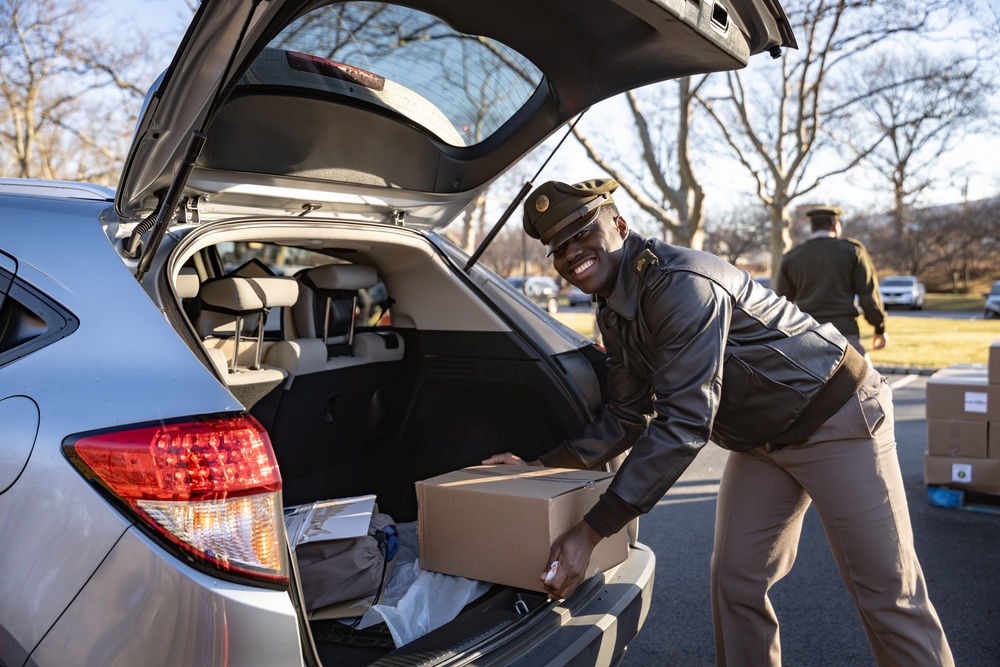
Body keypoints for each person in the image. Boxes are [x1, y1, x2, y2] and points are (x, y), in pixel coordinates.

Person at [483, 178, 952, 666]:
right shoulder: (614, 310)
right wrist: (538, 465)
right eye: (558, 248)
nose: (571, 252)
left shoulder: (681, 283)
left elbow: (685, 422)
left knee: (886, 591)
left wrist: (590, 531)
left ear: (619, 225)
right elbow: (627, 414)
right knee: (737, 581)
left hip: (837, 416)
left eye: (582, 232)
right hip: (762, 441)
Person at [775, 206, 888, 359]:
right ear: (835, 225)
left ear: (812, 228)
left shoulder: (792, 257)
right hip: (844, 334)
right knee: (869, 382)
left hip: (805, 335)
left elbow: (782, 303)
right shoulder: (853, 251)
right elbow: (868, 294)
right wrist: (879, 328)